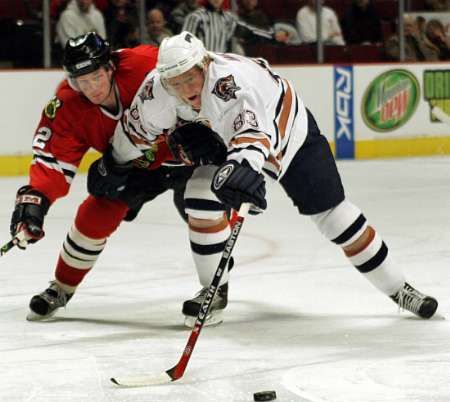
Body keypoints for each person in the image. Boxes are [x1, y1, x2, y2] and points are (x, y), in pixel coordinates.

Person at [103, 31, 439, 325]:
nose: (184, 88)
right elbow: (133, 133)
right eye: (175, 82)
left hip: (288, 133)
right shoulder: (156, 93)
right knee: (199, 196)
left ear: (204, 65)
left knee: (335, 217)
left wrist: (242, 170)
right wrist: (114, 166)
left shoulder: (235, 83)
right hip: (230, 143)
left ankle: (399, 289)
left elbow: (255, 136)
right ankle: (213, 291)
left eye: (190, 78)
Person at [9, 32, 194, 322]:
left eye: (96, 76)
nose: (91, 87)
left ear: (110, 67)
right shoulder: (69, 105)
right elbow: (54, 160)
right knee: (92, 216)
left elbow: (198, 82)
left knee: (203, 207)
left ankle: (216, 288)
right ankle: (61, 287)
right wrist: (37, 200)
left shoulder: (146, 63)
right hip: (133, 169)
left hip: (187, 156)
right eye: (82, 81)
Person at [182, 0, 289, 53]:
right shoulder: (196, 17)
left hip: (218, 66)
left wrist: (273, 36)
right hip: (199, 66)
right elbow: (184, 42)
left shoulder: (229, 17)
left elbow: (250, 31)